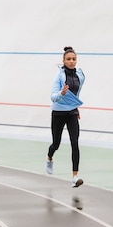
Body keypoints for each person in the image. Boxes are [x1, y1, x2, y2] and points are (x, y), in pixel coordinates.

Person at [46, 46, 85, 187]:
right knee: (56, 143)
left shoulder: (80, 75)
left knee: (75, 143)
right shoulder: (59, 76)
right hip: (58, 113)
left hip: (72, 112)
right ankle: (50, 157)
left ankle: (75, 176)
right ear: (63, 61)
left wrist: (76, 107)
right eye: (68, 59)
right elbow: (53, 97)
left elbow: (76, 94)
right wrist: (61, 93)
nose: (71, 61)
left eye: (74, 59)